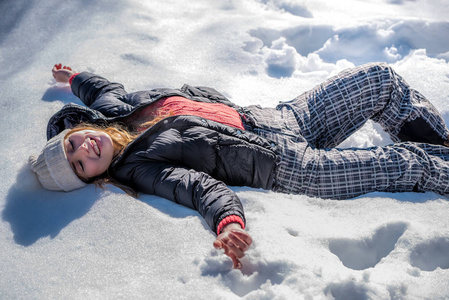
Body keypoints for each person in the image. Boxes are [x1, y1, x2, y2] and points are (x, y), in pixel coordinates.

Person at [29, 62, 449, 269]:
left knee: (378, 80)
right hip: (288, 166)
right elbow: (197, 188)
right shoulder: (138, 168)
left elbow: (102, 88)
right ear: (94, 176)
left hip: (276, 119)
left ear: (75, 131)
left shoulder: (113, 111)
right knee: (405, 164)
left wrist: (74, 76)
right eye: (81, 166)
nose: (85, 150)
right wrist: (229, 224)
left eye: (72, 146)